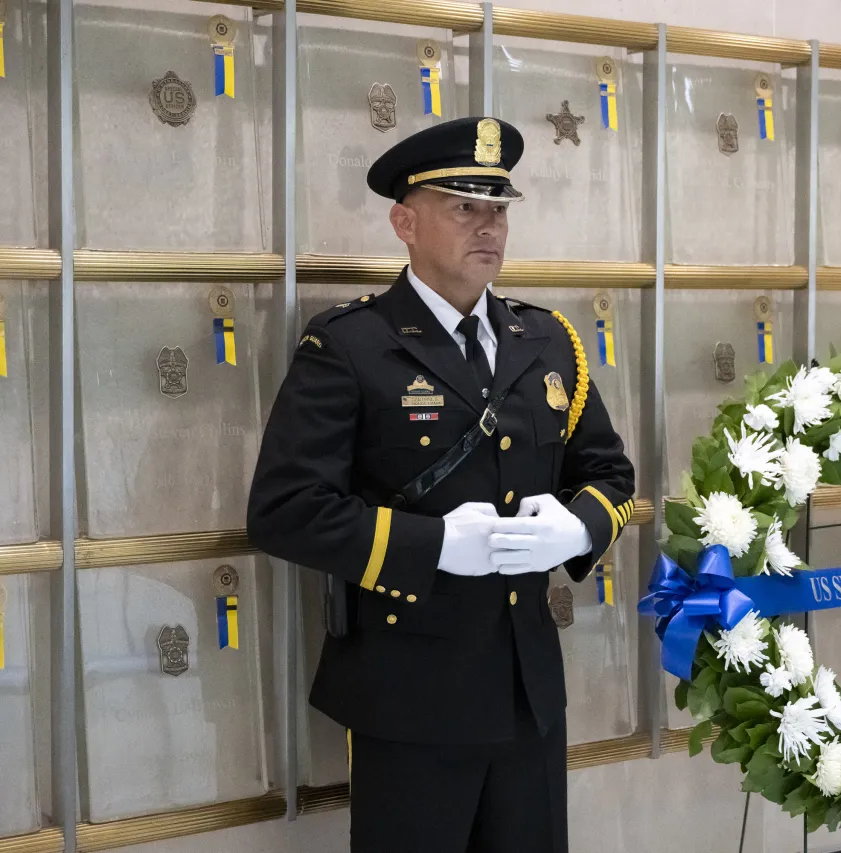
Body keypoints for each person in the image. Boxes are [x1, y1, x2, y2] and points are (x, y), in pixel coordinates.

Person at [246, 115, 636, 853]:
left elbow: (610, 474)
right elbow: (283, 510)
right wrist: (434, 545)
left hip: (527, 692)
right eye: (464, 206)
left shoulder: (547, 341)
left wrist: (580, 528)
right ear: (405, 220)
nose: (488, 226)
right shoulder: (351, 346)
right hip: (410, 695)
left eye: (499, 209)